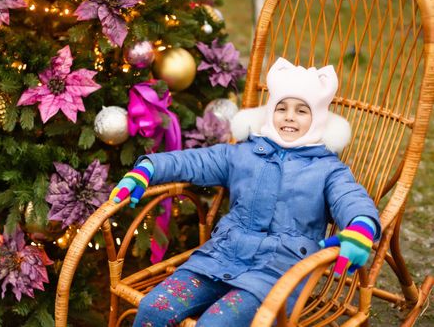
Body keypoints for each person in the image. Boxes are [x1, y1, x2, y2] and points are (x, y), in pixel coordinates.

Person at [110, 57, 382, 326]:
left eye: (302, 110)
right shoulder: (244, 153)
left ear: (318, 118)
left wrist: (362, 227)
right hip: (219, 257)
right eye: (282, 107)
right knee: (153, 309)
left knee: (216, 325)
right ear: (271, 111)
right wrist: (148, 169)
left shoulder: (327, 169)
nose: (289, 116)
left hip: (279, 272)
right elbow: (194, 161)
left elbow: (350, 197)